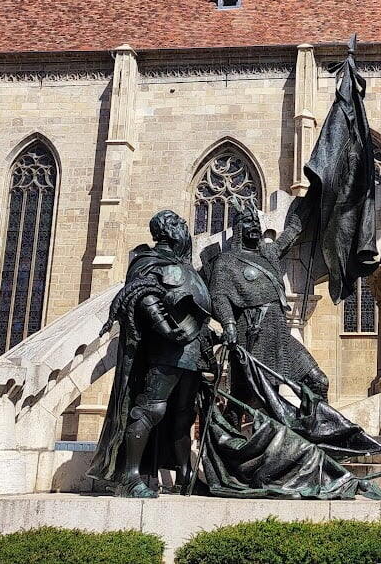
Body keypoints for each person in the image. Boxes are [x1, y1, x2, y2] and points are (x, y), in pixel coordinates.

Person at [89, 210, 213, 498]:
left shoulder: (185, 267)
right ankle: (131, 476)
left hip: (192, 351)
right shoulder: (148, 261)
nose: (186, 230)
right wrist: (167, 328)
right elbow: (142, 294)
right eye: (182, 225)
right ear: (169, 230)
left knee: (184, 414)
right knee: (151, 408)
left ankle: (185, 475)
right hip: (166, 350)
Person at [207, 204, 330, 416]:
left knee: (318, 381)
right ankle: (228, 441)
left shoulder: (269, 253)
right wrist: (228, 323)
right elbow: (218, 295)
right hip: (252, 333)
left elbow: (292, 233)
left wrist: (313, 198)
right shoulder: (227, 261)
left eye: (256, 222)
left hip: (279, 334)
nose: (254, 226)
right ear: (238, 228)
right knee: (248, 399)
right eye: (248, 222)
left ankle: (313, 432)